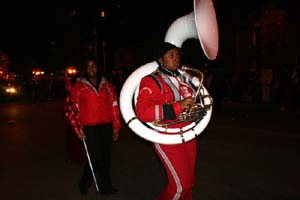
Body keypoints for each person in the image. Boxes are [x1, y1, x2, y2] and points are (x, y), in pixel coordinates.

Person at [135, 42, 204, 200]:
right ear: (160, 59)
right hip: (167, 137)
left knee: (189, 183)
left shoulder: (183, 79)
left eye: (177, 55)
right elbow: (143, 112)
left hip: (188, 134)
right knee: (181, 185)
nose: (176, 58)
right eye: (171, 55)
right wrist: (177, 107)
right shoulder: (151, 80)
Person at [67, 56, 121, 196]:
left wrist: (116, 127)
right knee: (95, 157)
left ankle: (106, 187)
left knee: (105, 158)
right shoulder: (78, 87)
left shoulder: (108, 86)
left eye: (94, 65)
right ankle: (84, 182)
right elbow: (72, 111)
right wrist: (77, 128)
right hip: (89, 128)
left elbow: (114, 107)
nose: (91, 68)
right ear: (85, 69)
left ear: (98, 68)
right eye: (88, 66)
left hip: (106, 126)